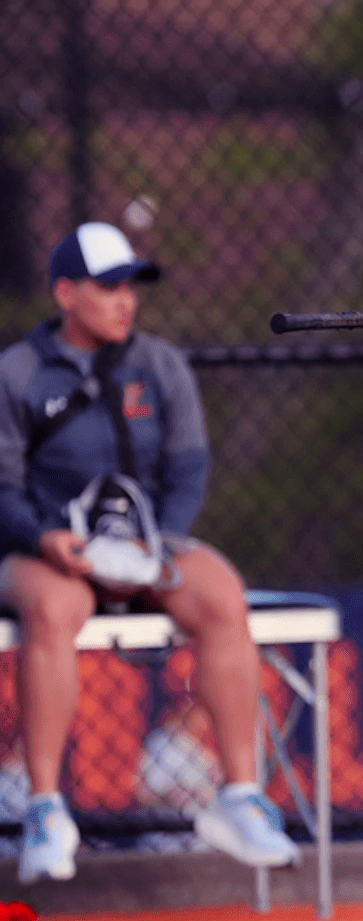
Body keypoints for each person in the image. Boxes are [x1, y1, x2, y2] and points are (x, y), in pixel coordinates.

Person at [0, 221, 299, 883]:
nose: (124, 300)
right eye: (108, 288)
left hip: (144, 547)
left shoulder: (160, 364)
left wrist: (155, 543)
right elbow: (2, 488)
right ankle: (46, 811)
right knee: (51, 610)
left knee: (221, 593)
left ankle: (239, 797)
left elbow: (187, 469)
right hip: (51, 551)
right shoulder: (17, 372)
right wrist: (45, 538)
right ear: (65, 293)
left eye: (130, 286)